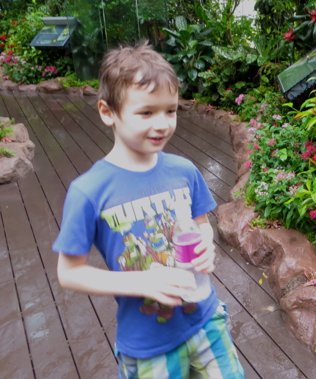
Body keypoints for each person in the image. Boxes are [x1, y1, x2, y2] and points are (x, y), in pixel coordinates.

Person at [53, 42, 244, 379]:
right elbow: (69, 273)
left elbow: (202, 224)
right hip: (148, 343)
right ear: (108, 112)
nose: (163, 124)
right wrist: (141, 281)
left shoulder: (184, 170)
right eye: (146, 112)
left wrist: (206, 244)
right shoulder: (88, 191)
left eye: (170, 111)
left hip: (205, 319)